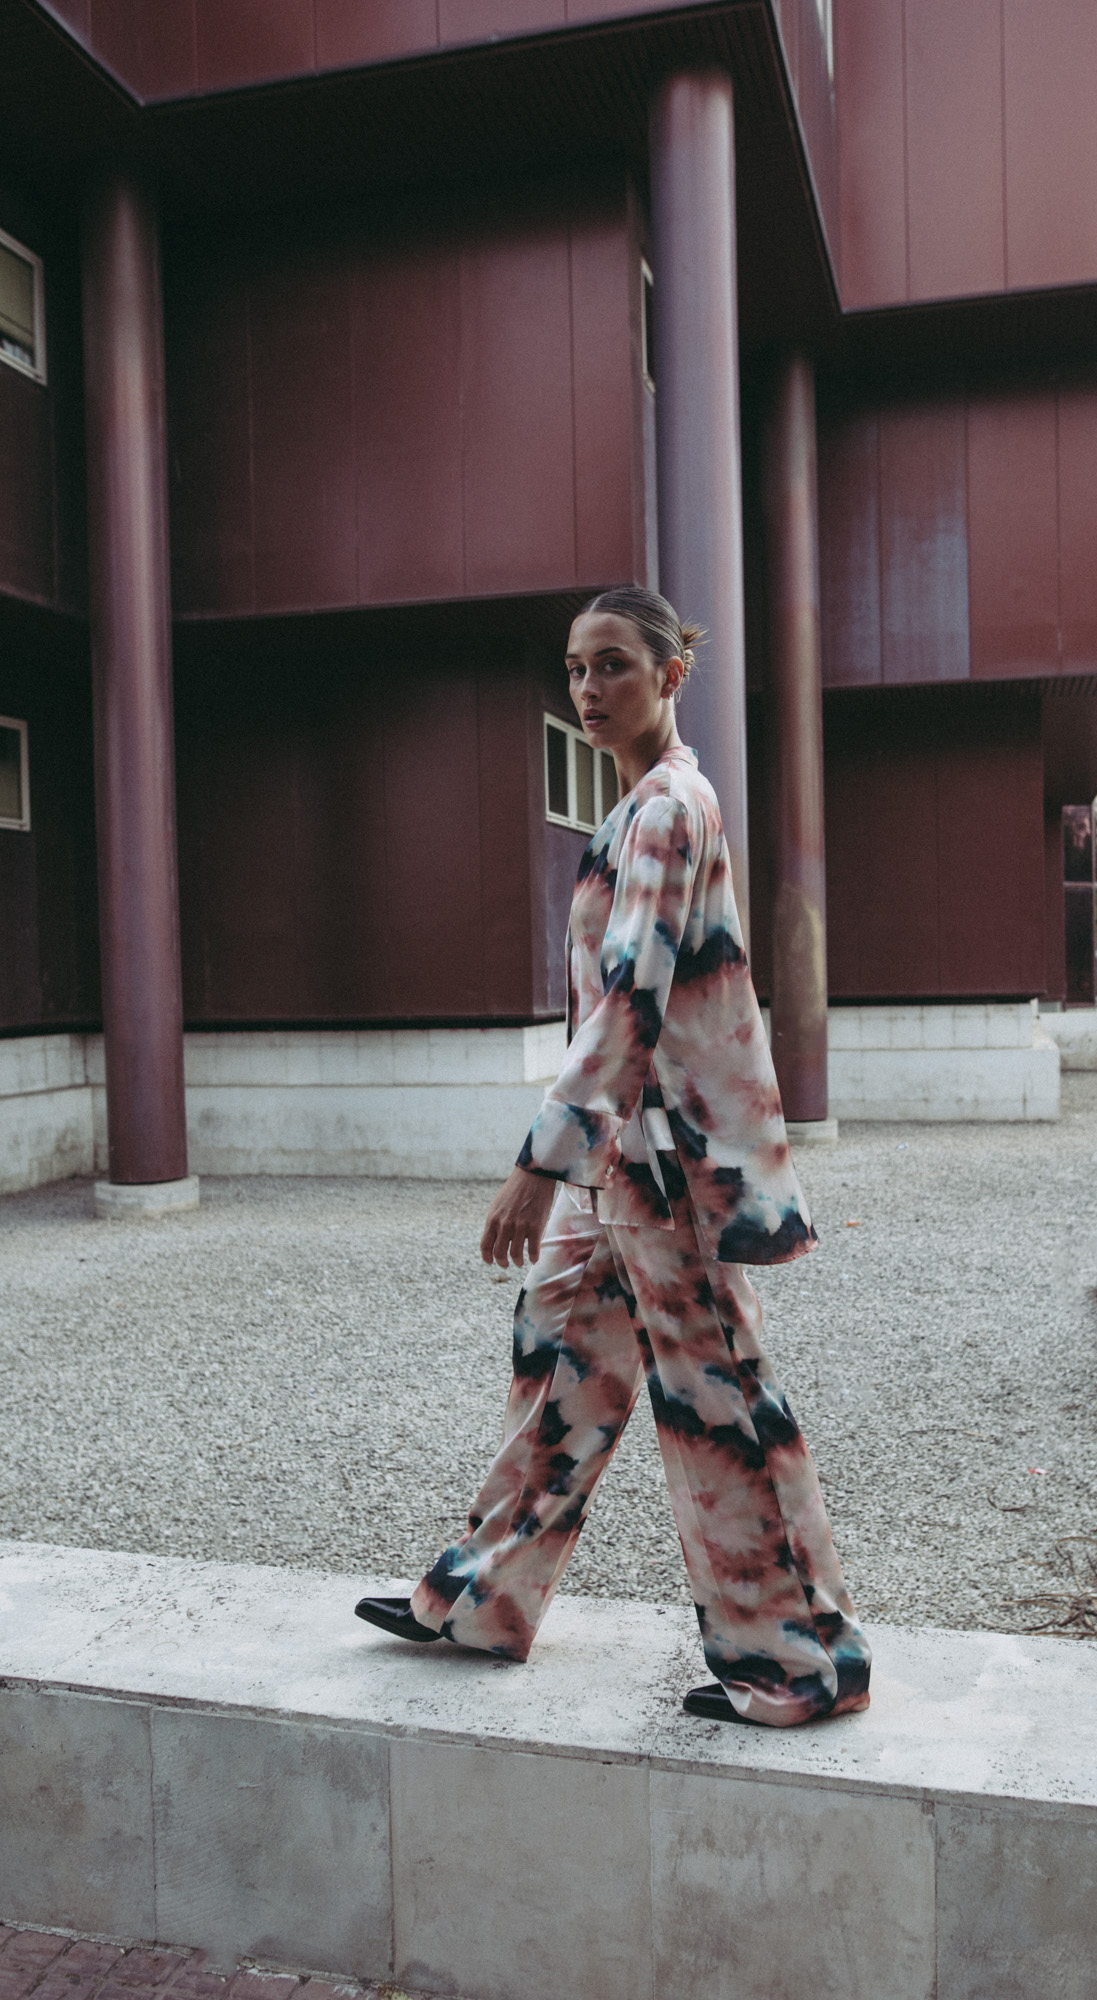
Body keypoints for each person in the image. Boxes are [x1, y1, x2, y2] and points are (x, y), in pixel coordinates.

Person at [355, 586, 871, 1726]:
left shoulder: (670, 806)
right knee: (556, 1360)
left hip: (667, 1164)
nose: (588, 689)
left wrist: (539, 1160)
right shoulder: (638, 807)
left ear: (670, 674)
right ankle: (483, 1599)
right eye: (576, 669)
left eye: (613, 666)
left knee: (718, 1404)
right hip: (621, 1159)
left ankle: (804, 1664)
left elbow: (633, 993)